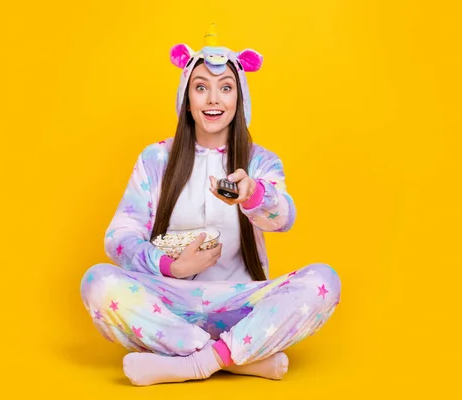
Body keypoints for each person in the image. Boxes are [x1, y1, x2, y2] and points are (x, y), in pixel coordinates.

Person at [80, 24, 341, 386]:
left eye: (226, 88)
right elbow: (119, 236)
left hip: (241, 307)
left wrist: (253, 194)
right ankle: (236, 359)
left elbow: (284, 218)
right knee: (97, 282)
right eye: (201, 88)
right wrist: (171, 266)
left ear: (240, 98)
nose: (213, 100)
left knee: (323, 281)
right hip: (169, 307)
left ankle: (194, 364)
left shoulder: (260, 161)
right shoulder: (157, 158)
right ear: (187, 99)